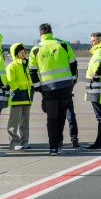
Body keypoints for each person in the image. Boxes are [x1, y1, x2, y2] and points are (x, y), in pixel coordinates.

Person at [33, 23, 77, 156]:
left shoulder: (36, 49)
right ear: (51, 32)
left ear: (40, 34)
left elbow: (32, 71)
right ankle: (59, 142)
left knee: (51, 118)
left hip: (48, 88)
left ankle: (53, 147)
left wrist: (38, 87)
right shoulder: (63, 45)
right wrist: (72, 81)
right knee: (62, 115)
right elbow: (73, 64)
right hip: (65, 87)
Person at [6, 43, 32, 150]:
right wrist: (18, 90)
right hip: (17, 97)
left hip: (26, 96)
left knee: (25, 122)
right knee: (14, 122)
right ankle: (13, 142)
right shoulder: (11, 66)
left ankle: (24, 141)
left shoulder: (26, 65)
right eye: (21, 52)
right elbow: (10, 80)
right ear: (15, 54)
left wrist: (30, 88)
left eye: (24, 52)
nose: (23, 54)